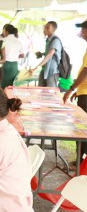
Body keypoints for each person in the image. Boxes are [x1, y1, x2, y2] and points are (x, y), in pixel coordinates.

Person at [63, 20, 87, 165]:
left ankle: (79, 163)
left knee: (82, 129)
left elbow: (85, 71)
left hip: (85, 94)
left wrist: (71, 89)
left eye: (84, 29)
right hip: (83, 91)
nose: (82, 32)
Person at [29, 21, 62, 87]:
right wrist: (42, 54)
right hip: (45, 69)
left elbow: (50, 54)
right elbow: (48, 53)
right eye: (45, 27)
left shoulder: (55, 40)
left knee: (50, 92)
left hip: (52, 71)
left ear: (53, 30)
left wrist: (36, 67)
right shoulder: (48, 40)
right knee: (41, 90)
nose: (45, 29)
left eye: (47, 28)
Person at [2, 24, 24, 88]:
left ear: (6, 31)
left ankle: (3, 97)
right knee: (12, 85)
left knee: (3, 84)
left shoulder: (3, 40)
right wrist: (15, 55)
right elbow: (22, 55)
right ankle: (10, 97)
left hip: (5, 64)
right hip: (14, 65)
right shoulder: (18, 41)